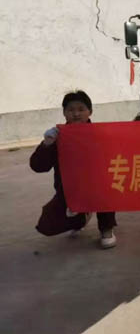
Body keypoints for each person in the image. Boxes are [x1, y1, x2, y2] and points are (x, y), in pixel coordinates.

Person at [30, 90, 118, 249]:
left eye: (81, 109)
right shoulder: (58, 137)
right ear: (64, 113)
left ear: (90, 111)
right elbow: (38, 166)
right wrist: (47, 144)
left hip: (98, 187)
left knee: (105, 190)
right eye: (71, 110)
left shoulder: (100, 134)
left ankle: (106, 227)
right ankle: (80, 218)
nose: (76, 114)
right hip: (69, 191)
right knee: (47, 225)